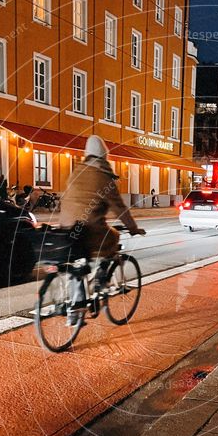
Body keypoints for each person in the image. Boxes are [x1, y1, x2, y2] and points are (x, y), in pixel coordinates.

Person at [60, 135, 146, 321]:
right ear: (104, 156)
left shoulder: (75, 173)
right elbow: (119, 208)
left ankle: (75, 311)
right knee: (113, 236)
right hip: (89, 230)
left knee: (77, 264)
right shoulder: (104, 177)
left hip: (66, 230)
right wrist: (133, 228)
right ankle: (101, 277)